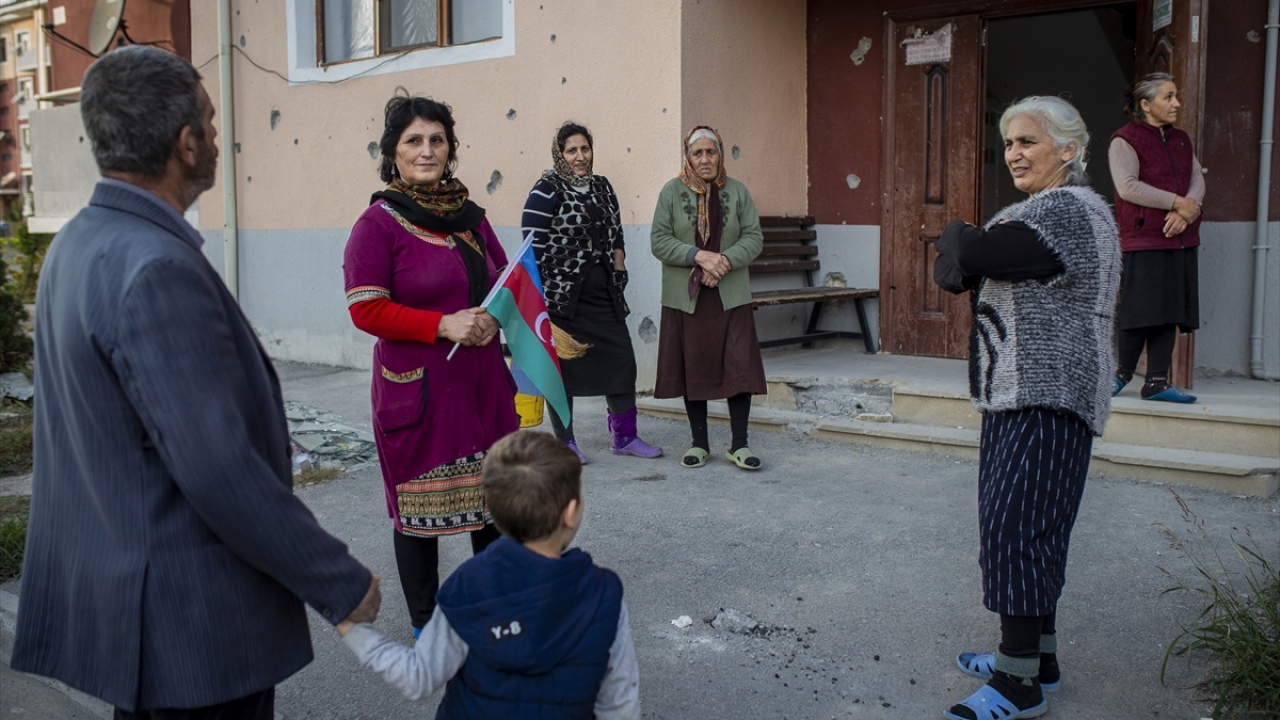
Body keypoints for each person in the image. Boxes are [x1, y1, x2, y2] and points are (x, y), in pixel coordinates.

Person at [11, 46, 381, 719]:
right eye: (210, 124)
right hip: (190, 630)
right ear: (186, 144)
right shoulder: (154, 268)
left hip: (136, 617)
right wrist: (337, 580)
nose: (216, 137)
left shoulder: (77, 243)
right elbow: (218, 469)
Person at [932, 96, 1120, 720]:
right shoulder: (1032, 215)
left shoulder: (1071, 210)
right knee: (1027, 529)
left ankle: (1019, 687)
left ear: (1068, 150)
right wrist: (967, 246)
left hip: (1049, 392)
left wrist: (959, 232)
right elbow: (951, 276)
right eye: (1008, 143)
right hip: (1018, 392)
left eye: (1028, 142)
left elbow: (970, 256)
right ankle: (1037, 659)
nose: (1013, 152)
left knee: (1019, 531)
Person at [343, 91, 519, 640]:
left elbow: (500, 281)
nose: (427, 150)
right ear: (392, 152)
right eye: (414, 140)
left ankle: (492, 611)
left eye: (437, 140)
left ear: (451, 148)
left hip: (483, 386)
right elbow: (364, 306)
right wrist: (442, 324)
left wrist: (496, 316)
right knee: (418, 517)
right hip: (418, 393)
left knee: (493, 508)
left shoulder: (471, 218)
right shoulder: (379, 224)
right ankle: (427, 625)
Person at [339, 430, 640, 719]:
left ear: (493, 512)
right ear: (571, 512)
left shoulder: (467, 587)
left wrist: (351, 627)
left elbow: (418, 677)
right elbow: (619, 704)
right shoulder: (605, 594)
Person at [520, 121, 662, 464]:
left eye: (585, 149)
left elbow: (615, 232)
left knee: (621, 361)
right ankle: (565, 443)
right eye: (572, 150)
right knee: (564, 373)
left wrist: (619, 264)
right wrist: (538, 300)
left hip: (604, 296)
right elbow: (532, 246)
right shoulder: (546, 188)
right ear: (560, 154)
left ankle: (625, 436)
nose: (580, 156)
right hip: (563, 300)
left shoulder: (602, 186)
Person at [649, 125, 766, 470]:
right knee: (693, 367)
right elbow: (659, 240)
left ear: (720, 155)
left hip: (730, 295)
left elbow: (754, 237)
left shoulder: (738, 192)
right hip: (687, 297)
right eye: (697, 153)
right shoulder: (671, 192)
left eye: (710, 152)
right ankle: (699, 444)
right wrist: (699, 257)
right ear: (688, 156)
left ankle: (739, 445)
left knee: (739, 366)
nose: (704, 159)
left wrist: (724, 261)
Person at [1108, 72, 1206, 403]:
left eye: (1176, 95)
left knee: (1170, 309)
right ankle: (1121, 375)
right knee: (1138, 310)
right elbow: (1128, 186)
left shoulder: (1181, 139)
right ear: (1146, 104)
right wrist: (1177, 203)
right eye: (1168, 97)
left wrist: (1186, 212)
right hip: (1144, 237)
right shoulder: (1124, 139)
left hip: (1180, 238)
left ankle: (1157, 383)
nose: (1176, 103)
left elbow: (1196, 178)